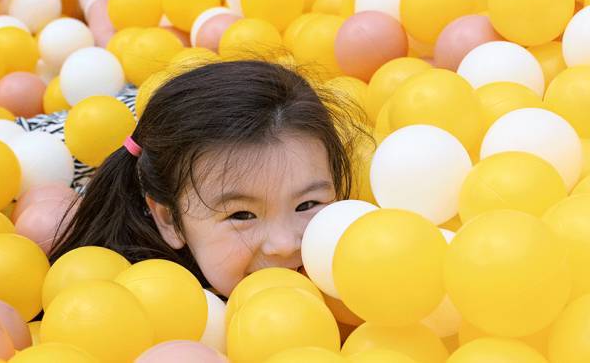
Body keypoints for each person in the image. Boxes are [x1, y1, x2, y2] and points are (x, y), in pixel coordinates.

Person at [44, 60, 368, 297]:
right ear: (169, 220)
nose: (284, 245)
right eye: (242, 214)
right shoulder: (137, 292)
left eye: (307, 203)